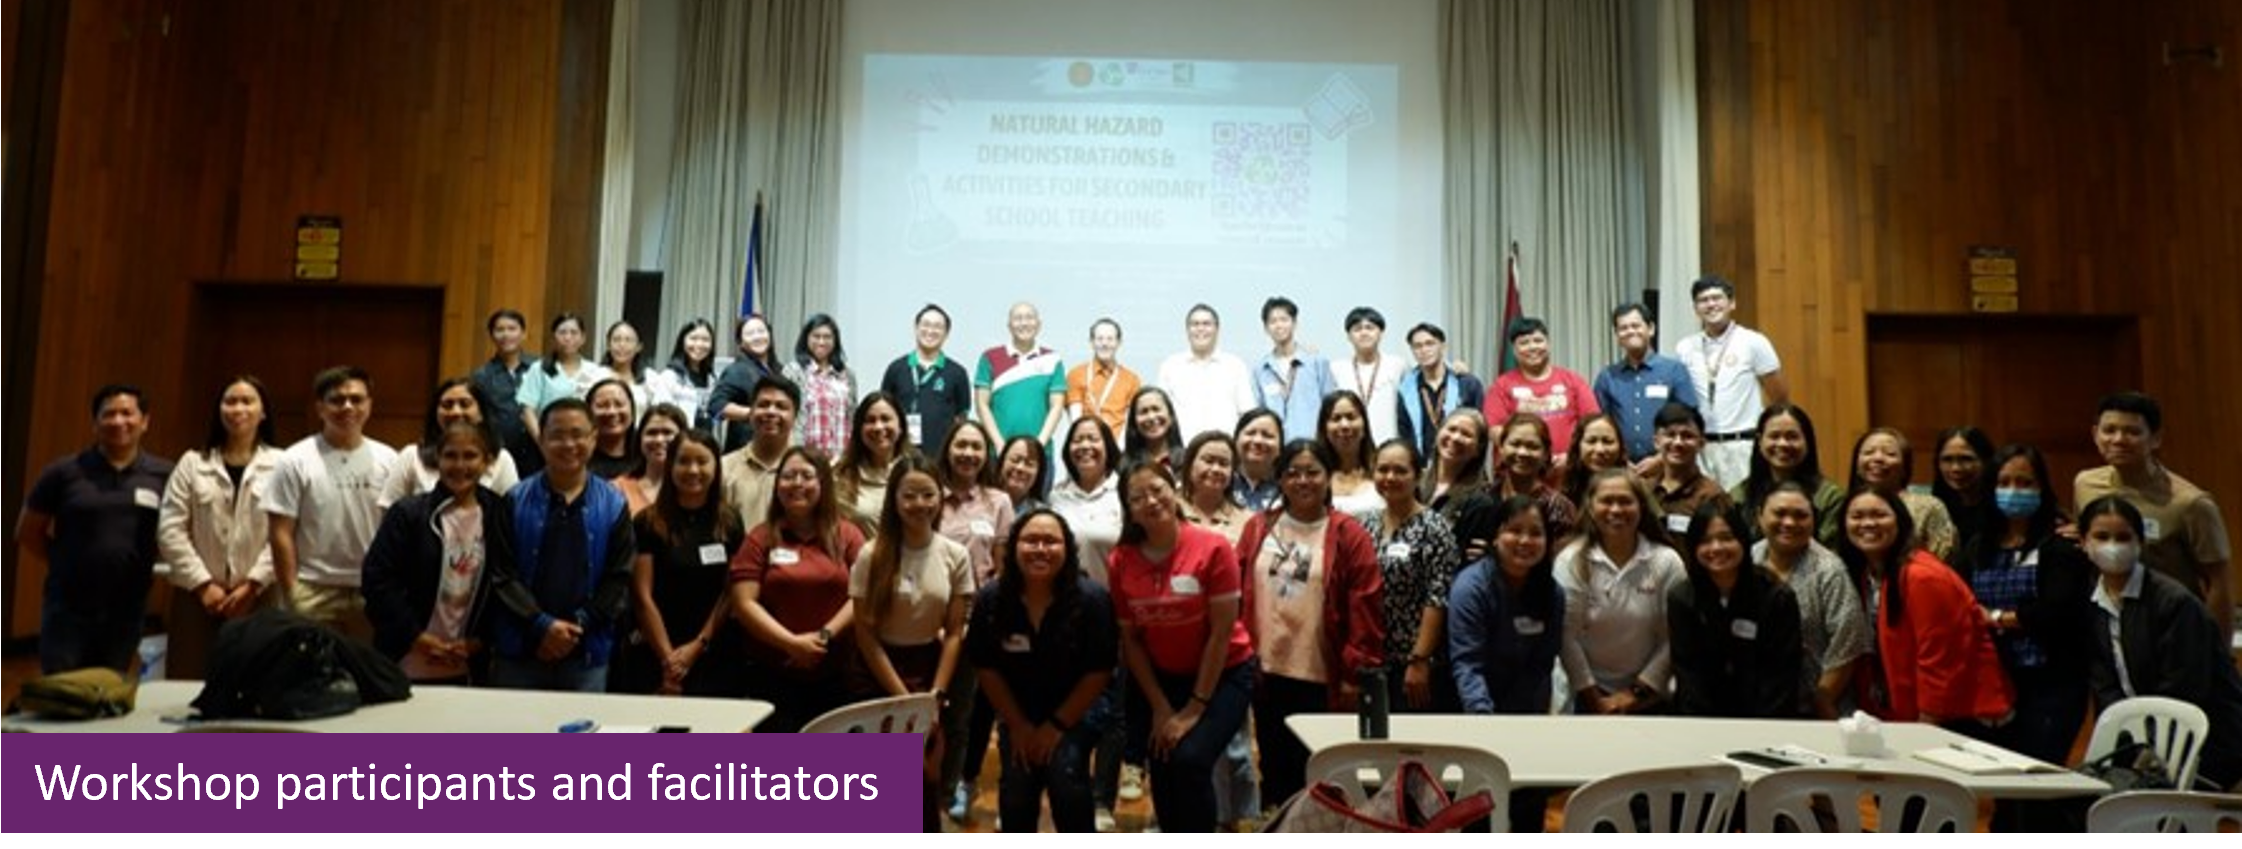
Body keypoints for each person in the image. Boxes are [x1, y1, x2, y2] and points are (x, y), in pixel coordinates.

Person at [1234, 439, 1385, 808]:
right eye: (1293, 473)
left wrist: (1354, 672)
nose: (1303, 480)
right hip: (1266, 671)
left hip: (1324, 675)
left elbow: (1365, 605)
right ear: (1280, 480)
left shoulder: (1348, 534)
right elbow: (1237, 595)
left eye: (1313, 472)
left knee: (1321, 775)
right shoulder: (1258, 528)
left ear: (1327, 476)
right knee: (1273, 766)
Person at [1109, 461, 1257, 834]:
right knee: (1161, 759)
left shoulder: (1213, 547)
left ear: (1174, 490)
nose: (1151, 500)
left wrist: (1193, 709)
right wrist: (1160, 707)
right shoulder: (1121, 560)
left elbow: (1222, 633)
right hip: (1162, 677)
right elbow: (1132, 641)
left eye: (1157, 489)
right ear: (1128, 508)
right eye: (1137, 497)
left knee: (1190, 759)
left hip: (1225, 673)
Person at [970, 510, 1119, 834]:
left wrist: (1055, 726)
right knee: (1017, 787)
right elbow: (987, 667)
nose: (1040, 549)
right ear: (1013, 547)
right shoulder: (991, 599)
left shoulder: (1092, 600)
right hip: (1018, 709)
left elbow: (1099, 671)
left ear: (1067, 549)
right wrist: (1020, 725)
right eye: (1030, 540)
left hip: (1081, 709)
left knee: (1065, 776)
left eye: (1051, 541)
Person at [2080, 495, 2242, 790]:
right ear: (2083, 542)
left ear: (2140, 543)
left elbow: (2185, 687)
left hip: (2201, 740)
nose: (2112, 546)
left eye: (2123, 537)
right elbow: (2105, 684)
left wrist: (2149, 750)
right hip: (2142, 744)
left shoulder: (2174, 603)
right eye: (2102, 536)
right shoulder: (2092, 601)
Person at [19, 385, 174, 674]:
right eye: (109, 414)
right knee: (60, 696)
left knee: (107, 695)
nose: (118, 421)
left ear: (145, 422)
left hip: (126, 609)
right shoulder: (63, 472)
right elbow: (28, 531)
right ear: (95, 424)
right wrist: (63, 562)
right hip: (67, 608)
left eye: (127, 413)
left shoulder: (165, 475)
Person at [489, 397, 636, 691]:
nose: (569, 444)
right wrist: (542, 625)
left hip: (586, 654)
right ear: (541, 441)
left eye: (578, 434)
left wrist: (575, 628)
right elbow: (502, 574)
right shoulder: (514, 500)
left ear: (594, 439)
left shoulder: (614, 503)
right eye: (557, 435)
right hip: (520, 651)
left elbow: (618, 578)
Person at [1836, 488, 2011, 732]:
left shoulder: (1922, 576)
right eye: (1857, 516)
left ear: (1901, 521)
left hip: (1952, 717)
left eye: (1879, 515)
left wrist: (1924, 728)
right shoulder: (1867, 573)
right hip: (1903, 714)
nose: (1867, 523)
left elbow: (1940, 660)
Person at [1961, 444, 2092, 769]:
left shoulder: (2061, 542)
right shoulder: (1979, 546)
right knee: (2002, 780)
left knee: (2038, 774)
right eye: (2004, 483)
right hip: (1995, 679)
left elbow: (2055, 613)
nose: (2013, 491)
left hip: (2051, 682)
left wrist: (1995, 618)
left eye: (2024, 483)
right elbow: (1962, 602)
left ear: (2042, 488)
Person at [361, 420, 519, 684]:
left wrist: (479, 641)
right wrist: (416, 637)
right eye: (450, 456)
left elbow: (506, 584)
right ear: (437, 459)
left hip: (469, 661)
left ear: (487, 461)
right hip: (406, 655)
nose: (460, 465)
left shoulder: (500, 513)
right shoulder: (408, 514)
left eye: (470, 455)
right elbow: (378, 582)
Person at [1445, 494, 1564, 833]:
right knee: (1479, 814)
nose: (1525, 541)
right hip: (1475, 717)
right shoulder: (1471, 586)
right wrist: (1488, 726)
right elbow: (1467, 664)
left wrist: (1525, 724)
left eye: (1536, 533)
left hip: (1527, 718)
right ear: (1496, 535)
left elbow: (1543, 663)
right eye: (1515, 530)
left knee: (1527, 811)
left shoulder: (1552, 592)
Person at [2073, 391, 2231, 643]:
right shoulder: (2085, 484)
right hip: (2108, 622)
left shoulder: (2190, 503)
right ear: (2095, 434)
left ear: (2155, 438)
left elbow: (2218, 582)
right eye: (2109, 430)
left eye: (2132, 432)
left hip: (2171, 626)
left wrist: (2218, 653)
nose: (2118, 440)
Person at [729, 446, 865, 732]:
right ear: (778, 485)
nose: (797, 484)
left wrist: (823, 637)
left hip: (837, 672)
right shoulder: (760, 538)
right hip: (772, 673)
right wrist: (792, 643)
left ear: (823, 484)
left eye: (807, 476)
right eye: (789, 476)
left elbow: (861, 595)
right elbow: (743, 603)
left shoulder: (848, 535)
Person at [157, 377, 280, 679]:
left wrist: (252, 584)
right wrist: (202, 585)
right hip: (196, 596)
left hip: (259, 594)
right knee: (189, 679)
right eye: (230, 401)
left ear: (263, 412)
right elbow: (170, 528)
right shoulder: (191, 463)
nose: (238, 408)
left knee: (256, 678)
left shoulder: (283, 464)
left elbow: (288, 533)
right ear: (219, 410)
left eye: (247, 401)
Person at [266, 366, 396, 642]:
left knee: (366, 677)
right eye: (337, 400)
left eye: (357, 399)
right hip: (312, 590)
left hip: (370, 591)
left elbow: (394, 530)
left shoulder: (389, 459)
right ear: (320, 408)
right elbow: (280, 531)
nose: (348, 406)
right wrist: (292, 591)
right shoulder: (294, 459)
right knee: (307, 679)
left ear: (369, 405)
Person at [933, 419, 1014, 819]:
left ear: (986, 455)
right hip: (925, 617)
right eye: (961, 445)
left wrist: (978, 622)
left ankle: (950, 793)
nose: (968, 453)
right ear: (948, 448)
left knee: (963, 712)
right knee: (921, 708)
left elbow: (1000, 570)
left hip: (973, 621)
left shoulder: (998, 502)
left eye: (976, 447)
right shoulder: (931, 494)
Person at [625, 428, 744, 697]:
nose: (693, 470)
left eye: (702, 461)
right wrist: (670, 660)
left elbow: (730, 592)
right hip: (655, 651)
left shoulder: (729, 521)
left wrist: (698, 646)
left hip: (713, 651)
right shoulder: (647, 522)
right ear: (670, 465)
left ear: (716, 466)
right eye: (683, 461)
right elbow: (642, 597)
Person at [849, 458, 973, 711]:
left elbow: (953, 633)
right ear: (893, 500)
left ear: (941, 496)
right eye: (909, 496)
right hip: (877, 672)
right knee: (884, 751)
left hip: (931, 669)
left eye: (928, 495)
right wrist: (905, 699)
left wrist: (934, 694)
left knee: (928, 749)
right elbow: (865, 634)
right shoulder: (870, 555)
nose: (919, 504)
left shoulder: (957, 555)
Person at [1558, 468, 1685, 714]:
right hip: (1586, 695)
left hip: (1651, 695)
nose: (1616, 510)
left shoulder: (1667, 561)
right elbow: (1566, 637)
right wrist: (1595, 700)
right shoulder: (1570, 561)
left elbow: (1674, 637)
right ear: (1591, 506)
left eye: (1625, 501)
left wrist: (1634, 694)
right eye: (1606, 501)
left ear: (1641, 506)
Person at [1667, 501, 1803, 718]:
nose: (1716, 548)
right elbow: (1688, 673)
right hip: (1702, 720)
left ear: (1743, 540)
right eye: (1705, 541)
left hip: (1767, 719)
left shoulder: (1776, 597)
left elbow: (1781, 674)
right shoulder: (1681, 598)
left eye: (1726, 538)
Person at [1750, 481, 1871, 718]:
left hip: (1815, 705)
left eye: (1800, 516)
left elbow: (1848, 643)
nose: (1789, 523)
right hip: (1760, 700)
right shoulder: (1749, 557)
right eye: (1780, 513)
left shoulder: (1829, 570)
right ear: (1760, 516)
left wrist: (1822, 699)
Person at [1362, 438, 1460, 712]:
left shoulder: (1434, 527)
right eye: (1383, 470)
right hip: (1375, 660)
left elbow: (1437, 597)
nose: (1390, 477)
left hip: (1417, 663)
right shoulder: (1367, 523)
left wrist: (1419, 661)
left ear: (1417, 475)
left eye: (1400, 470)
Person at [1674, 277, 1787, 489]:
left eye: (1717, 298)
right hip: (1701, 447)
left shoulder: (1753, 342)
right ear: (1696, 308)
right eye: (1703, 300)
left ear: (1732, 303)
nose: (1710, 304)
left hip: (1743, 445)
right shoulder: (1685, 347)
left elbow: (1779, 397)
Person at [378, 377, 520, 512]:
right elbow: (389, 512)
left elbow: (510, 514)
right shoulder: (411, 456)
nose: (455, 412)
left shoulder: (501, 459)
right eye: (447, 405)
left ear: (481, 412)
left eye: (464, 404)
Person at [1593, 302, 1700, 464]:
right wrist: (1619, 459)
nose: (1630, 331)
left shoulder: (1674, 370)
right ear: (1617, 335)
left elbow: (1690, 420)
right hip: (1621, 468)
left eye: (1636, 325)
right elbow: (1600, 423)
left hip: (1668, 466)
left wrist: (1659, 460)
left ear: (1651, 329)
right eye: (1623, 328)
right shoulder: (1607, 377)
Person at [1487, 316, 1601, 466]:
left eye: (1538, 340)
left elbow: (1594, 425)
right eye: (1524, 343)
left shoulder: (1573, 380)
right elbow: (1495, 430)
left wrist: (1572, 457)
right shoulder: (1501, 386)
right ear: (1514, 350)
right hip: (1521, 472)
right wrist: (1530, 455)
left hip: (1569, 471)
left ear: (1548, 344)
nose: (1532, 347)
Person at [1730, 403, 1844, 546]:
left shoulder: (1830, 498)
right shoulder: (1739, 497)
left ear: (1808, 442)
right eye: (1774, 436)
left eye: (1792, 437)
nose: (1783, 444)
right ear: (1759, 441)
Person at [1849, 426, 1958, 561]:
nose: (1877, 458)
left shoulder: (1929, 507)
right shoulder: (1848, 506)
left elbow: (1943, 560)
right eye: (1868, 452)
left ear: (1905, 466)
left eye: (1890, 453)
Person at [1156, 303, 1257, 443]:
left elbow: (1247, 413)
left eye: (1206, 324)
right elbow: (1161, 413)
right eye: (1194, 324)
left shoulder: (1235, 365)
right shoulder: (1170, 366)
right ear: (1187, 330)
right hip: (1182, 452)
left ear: (1217, 329)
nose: (1200, 329)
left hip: (1226, 451)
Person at [880, 304, 973, 455]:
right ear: (916, 328)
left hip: (940, 458)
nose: (930, 331)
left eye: (937, 327)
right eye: (926, 325)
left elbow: (961, 418)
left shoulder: (957, 373)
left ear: (946, 333)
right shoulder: (896, 368)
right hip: (899, 454)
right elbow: (884, 410)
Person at [975, 301, 1068, 445]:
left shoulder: (1052, 359)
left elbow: (1057, 406)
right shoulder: (990, 357)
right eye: (1018, 318)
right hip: (998, 451)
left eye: (1029, 318)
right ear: (1009, 325)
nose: (1024, 323)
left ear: (1038, 324)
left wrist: (1039, 445)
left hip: (1041, 451)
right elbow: (981, 404)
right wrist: (999, 445)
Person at [1396, 322, 1486, 468]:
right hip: (1422, 467)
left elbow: (1480, 430)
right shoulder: (1406, 389)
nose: (1424, 350)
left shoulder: (1467, 383)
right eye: (1417, 346)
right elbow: (1404, 431)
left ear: (1443, 346)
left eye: (1430, 344)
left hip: (1462, 465)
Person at [1049, 416, 1124, 584]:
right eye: (1077, 440)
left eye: (1093, 439)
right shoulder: (1056, 496)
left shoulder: (1124, 494)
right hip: (1065, 601)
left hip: (1112, 601)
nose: (1084, 446)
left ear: (1108, 446)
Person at [515, 312, 610, 442]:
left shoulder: (594, 370)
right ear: (554, 337)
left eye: (573, 333)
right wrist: (542, 441)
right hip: (550, 438)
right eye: (562, 332)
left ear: (583, 338)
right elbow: (527, 411)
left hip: (584, 441)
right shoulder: (539, 369)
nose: (568, 337)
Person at [1252, 297, 1336, 441]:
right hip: (1275, 448)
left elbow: (1331, 406)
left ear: (1294, 323)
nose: (1279, 325)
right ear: (1266, 328)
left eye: (1284, 319)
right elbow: (1258, 413)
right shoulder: (1260, 369)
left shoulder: (1317, 362)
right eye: (1273, 321)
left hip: (1313, 446)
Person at [472, 308, 542, 475]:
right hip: (502, 453)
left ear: (523, 333)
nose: (506, 335)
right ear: (492, 335)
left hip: (540, 449)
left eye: (512, 329)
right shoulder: (481, 376)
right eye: (500, 330)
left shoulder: (542, 366)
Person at [834, 392, 909, 543]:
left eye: (885, 419)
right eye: (870, 420)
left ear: (900, 426)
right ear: (859, 429)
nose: (878, 427)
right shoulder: (839, 474)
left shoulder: (916, 471)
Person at [1493, 413, 1580, 542]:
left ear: (1546, 454)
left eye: (1532, 446)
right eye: (1515, 444)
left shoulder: (1559, 507)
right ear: (1501, 448)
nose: (1522, 452)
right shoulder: (1484, 495)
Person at [782, 313, 857, 461]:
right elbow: (787, 415)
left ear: (835, 340)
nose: (822, 342)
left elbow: (853, 415)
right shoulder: (793, 371)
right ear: (806, 339)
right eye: (816, 336)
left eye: (827, 337)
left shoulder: (847, 374)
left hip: (841, 456)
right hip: (805, 454)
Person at [1646, 402, 1731, 532]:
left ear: (1701, 443)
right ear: (1656, 442)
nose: (1678, 442)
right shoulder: (1645, 490)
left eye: (1687, 436)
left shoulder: (1712, 496)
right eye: (1670, 435)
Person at [708, 313, 785, 454]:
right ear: (740, 342)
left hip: (775, 447)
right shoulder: (736, 370)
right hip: (745, 450)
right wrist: (753, 413)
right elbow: (715, 405)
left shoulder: (780, 370)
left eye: (761, 331)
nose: (757, 337)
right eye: (750, 334)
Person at [1930, 426, 1999, 566]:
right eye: (1947, 460)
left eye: (1966, 459)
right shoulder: (1934, 508)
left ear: (1986, 461)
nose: (1955, 468)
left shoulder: (2003, 505)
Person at [1339, 307, 1407, 446]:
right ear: (1348, 336)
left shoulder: (1398, 365)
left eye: (1370, 328)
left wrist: (1452, 367)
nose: (1364, 333)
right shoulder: (1336, 368)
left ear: (1381, 333)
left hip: (1390, 443)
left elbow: (1424, 375)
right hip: (1350, 445)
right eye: (1357, 329)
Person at [1066, 317, 1142, 438]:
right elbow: (1075, 419)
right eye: (1099, 339)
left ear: (1119, 342)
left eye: (1110, 339)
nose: (1105, 344)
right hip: (1086, 444)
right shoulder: (1076, 374)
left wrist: (1119, 449)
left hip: (1119, 447)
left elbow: (1130, 421)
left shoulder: (1132, 379)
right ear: (1091, 342)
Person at [1319, 391, 1383, 520]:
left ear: (1364, 425)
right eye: (1336, 418)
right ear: (1324, 428)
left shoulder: (1382, 470)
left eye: (1351, 417)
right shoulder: (1314, 476)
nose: (1344, 425)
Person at [646, 319, 719, 431]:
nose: (699, 344)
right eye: (693, 338)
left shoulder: (712, 378)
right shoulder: (670, 377)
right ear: (682, 341)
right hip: (679, 440)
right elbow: (662, 414)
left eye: (705, 340)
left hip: (706, 441)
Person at [1178, 432, 1251, 544]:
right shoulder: (1168, 510)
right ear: (1189, 464)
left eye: (1224, 463)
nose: (1216, 469)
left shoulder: (1248, 521)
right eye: (1208, 461)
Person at [615, 403, 687, 516]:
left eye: (667, 432)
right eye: (651, 433)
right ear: (640, 439)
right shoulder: (617, 489)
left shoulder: (695, 488)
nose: (659, 440)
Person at [1557, 412, 1627, 513]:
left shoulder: (1636, 487)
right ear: (1578, 446)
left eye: (1607, 441)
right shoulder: (1561, 489)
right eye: (1591, 441)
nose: (1600, 450)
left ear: (1620, 446)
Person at [1230, 408, 1285, 512]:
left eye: (1267, 435)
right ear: (1236, 440)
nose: (1258, 441)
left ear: (1280, 447)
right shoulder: (1222, 480)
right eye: (1250, 433)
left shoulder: (1289, 486)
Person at [585, 378, 640, 481]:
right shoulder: (579, 456)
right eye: (602, 405)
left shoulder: (645, 453)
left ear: (632, 410)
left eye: (619, 404)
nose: (611, 412)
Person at [1121, 386, 1184, 472]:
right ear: (1134, 422)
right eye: (1144, 411)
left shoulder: (1188, 460)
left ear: (1171, 416)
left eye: (1156, 409)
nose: (1151, 417)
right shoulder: (1122, 464)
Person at [598, 319, 653, 415]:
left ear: (639, 347)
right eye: (616, 340)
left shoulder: (650, 378)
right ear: (608, 345)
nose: (622, 345)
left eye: (628, 340)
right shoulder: (596, 375)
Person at [997, 435, 1050, 516]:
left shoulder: (1042, 514)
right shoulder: (980, 501)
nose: (1020, 468)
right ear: (1001, 462)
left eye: (1029, 464)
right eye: (1015, 460)